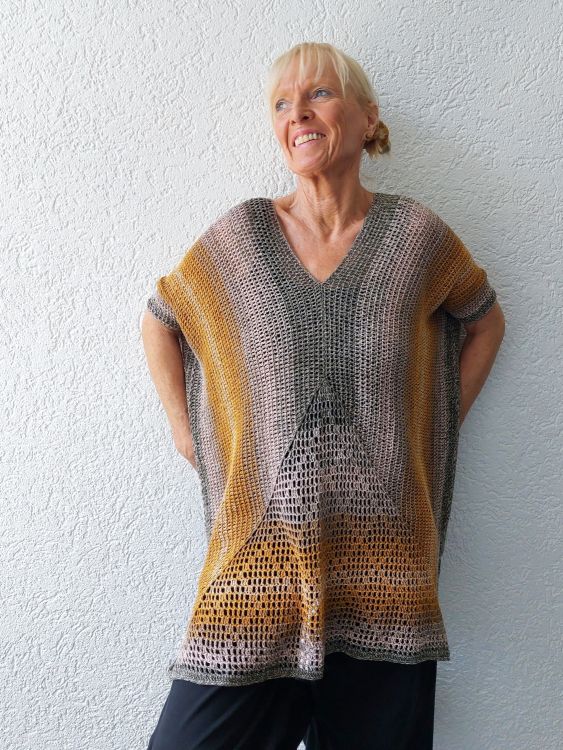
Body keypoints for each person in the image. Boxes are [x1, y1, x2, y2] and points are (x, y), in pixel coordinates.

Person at [141, 41, 505, 750]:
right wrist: (185, 431)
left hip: (386, 574)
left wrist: (434, 423)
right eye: (282, 103)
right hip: (257, 570)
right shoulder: (242, 239)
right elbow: (163, 317)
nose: (298, 113)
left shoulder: (414, 238)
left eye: (319, 94)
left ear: (368, 119)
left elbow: (484, 318)